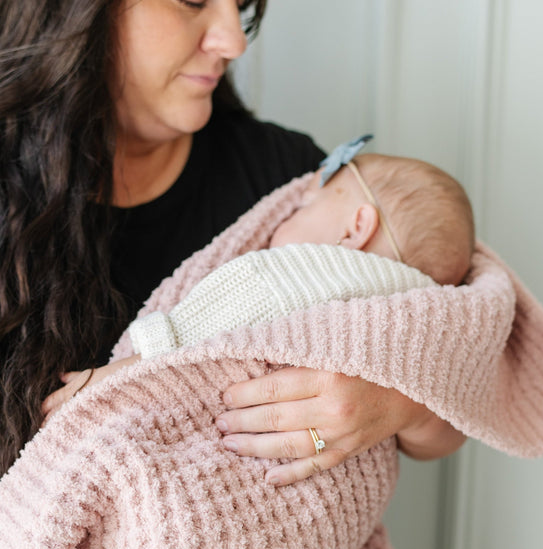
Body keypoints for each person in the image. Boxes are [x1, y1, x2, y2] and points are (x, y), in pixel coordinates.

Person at [0, 1, 543, 549]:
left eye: (240, 6)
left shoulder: (284, 180)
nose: (234, 41)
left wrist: (397, 400)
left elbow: (445, 403)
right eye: (195, 1)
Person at [42, 148, 475, 421]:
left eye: (305, 204)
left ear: (356, 227)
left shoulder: (303, 271)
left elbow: (200, 331)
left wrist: (115, 377)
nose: (287, 210)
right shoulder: (412, 309)